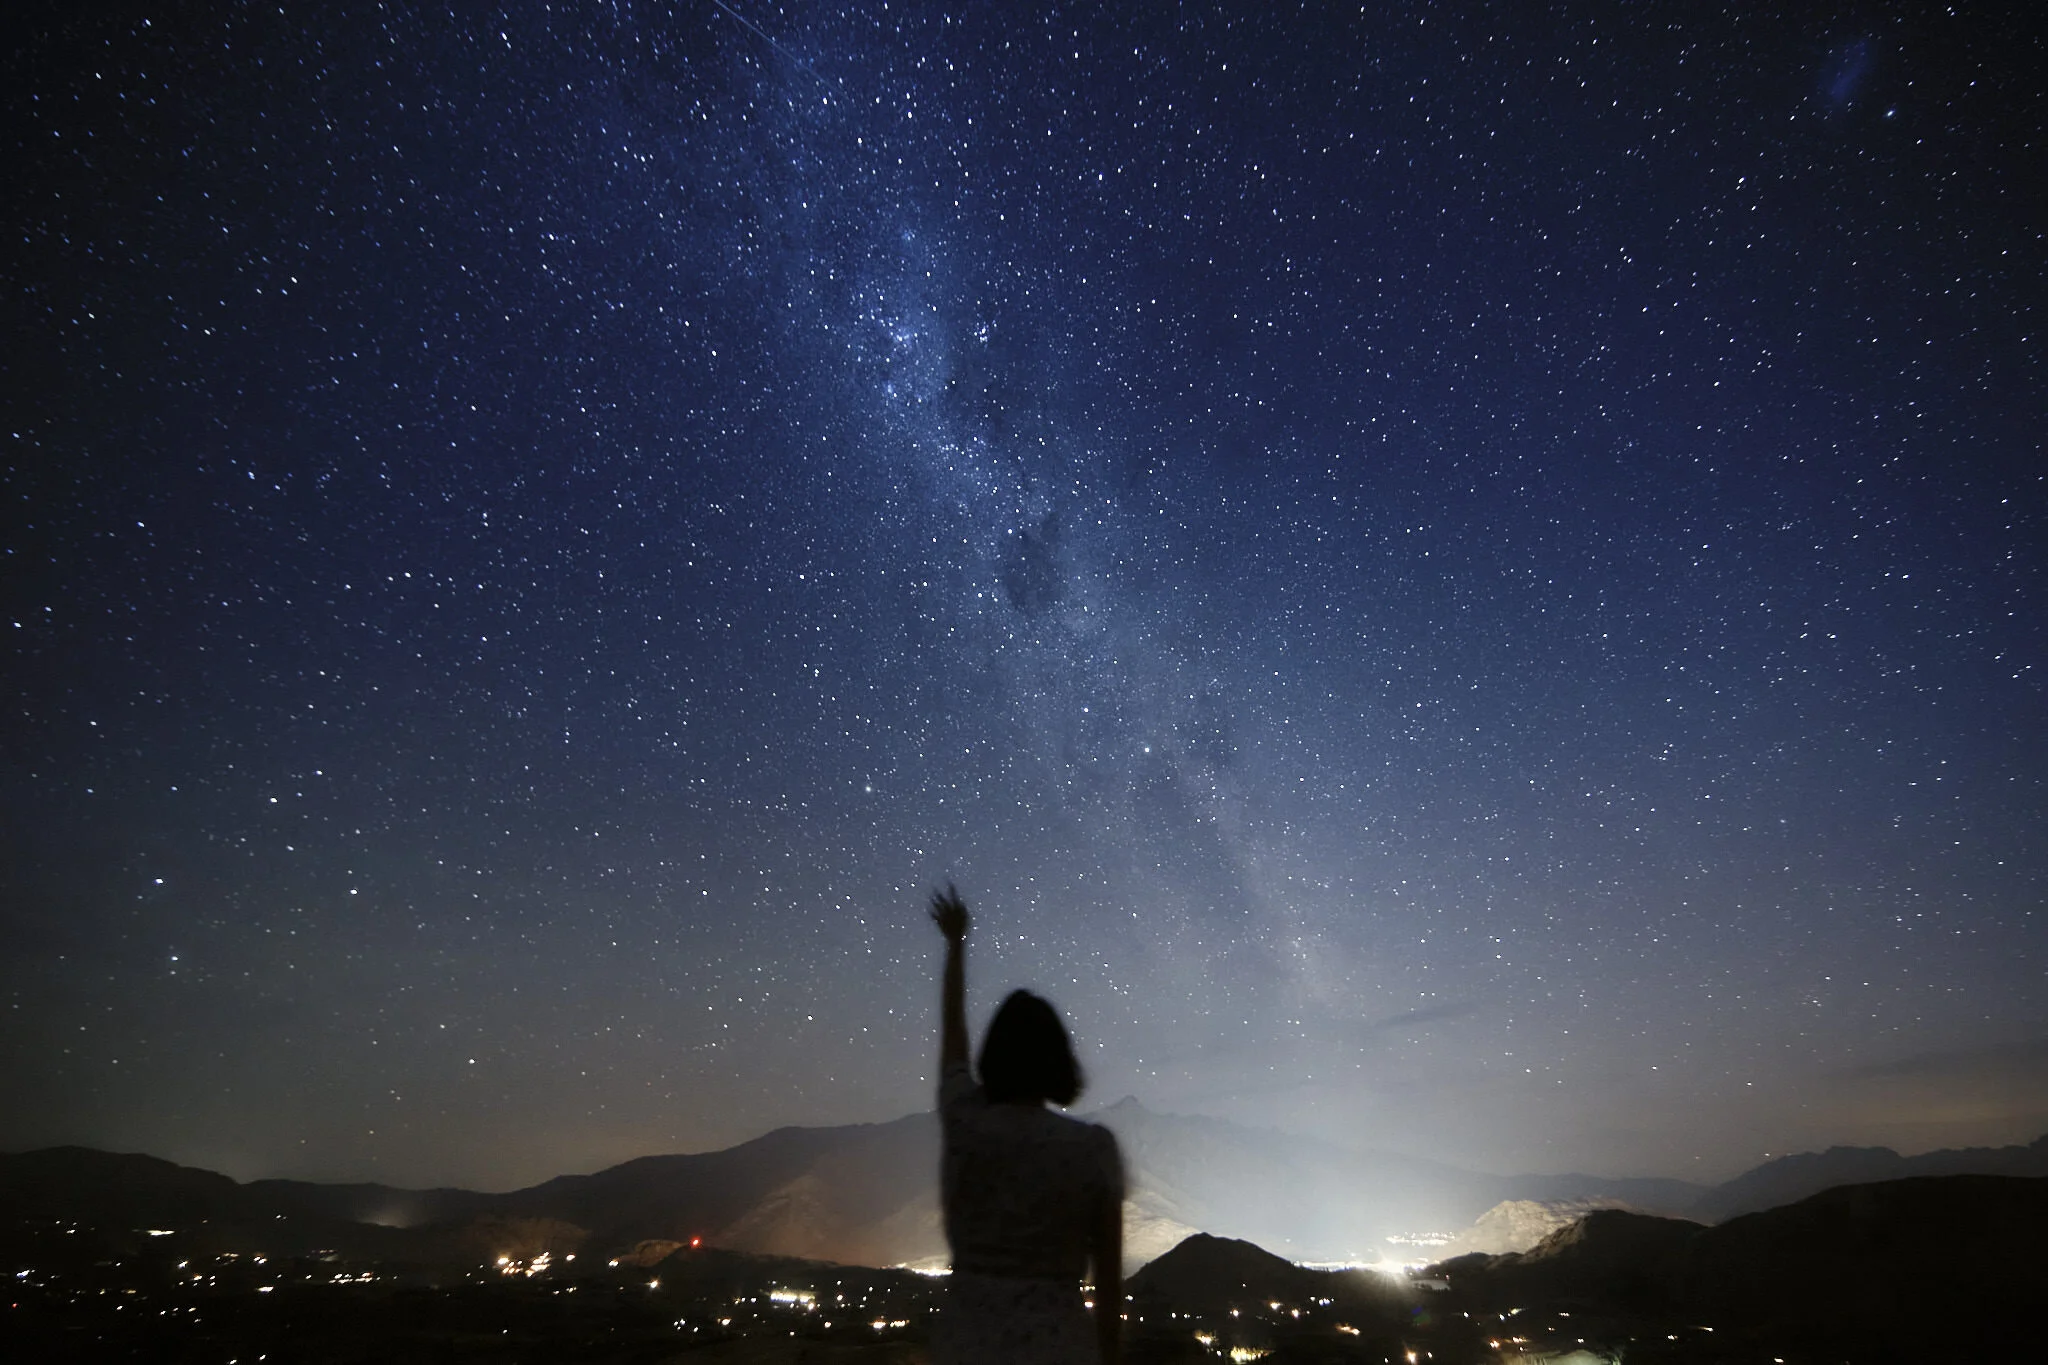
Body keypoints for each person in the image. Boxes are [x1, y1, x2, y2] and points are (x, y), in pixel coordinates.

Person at [929, 884, 1124, 1365]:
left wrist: (956, 945)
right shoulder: (1091, 1150)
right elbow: (1109, 1284)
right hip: (1061, 1347)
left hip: (968, 1345)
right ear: (1060, 1059)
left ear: (993, 1057)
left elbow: (953, 1036)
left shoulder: (964, 1123)